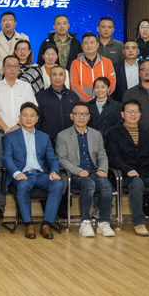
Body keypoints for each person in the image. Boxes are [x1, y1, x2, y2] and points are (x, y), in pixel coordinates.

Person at [105, 100, 149, 237]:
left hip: (146, 172)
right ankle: (139, 223)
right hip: (126, 174)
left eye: (135, 111)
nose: (133, 114)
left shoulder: (146, 134)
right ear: (122, 114)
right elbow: (114, 158)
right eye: (129, 111)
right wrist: (127, 169)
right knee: (137, 184)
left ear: (140, 114)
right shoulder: (114, 134)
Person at [3, 103, 64, 239]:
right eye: (25, 115)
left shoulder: (44, 137)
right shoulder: (11, 137)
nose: (28, 118)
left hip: (41, 174)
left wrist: (54, 171)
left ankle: (46, 224)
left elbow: (52, 158)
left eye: (32, 116)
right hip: (22, 175)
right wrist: (17, 173)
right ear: (20, 118)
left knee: (57, 185)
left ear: (37, 119)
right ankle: (28, 224)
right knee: (23, 186)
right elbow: (6, 158)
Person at [56, 102, 115, 238]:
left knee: (106, 185)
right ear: (71, 116)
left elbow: (102, 156)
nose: (81, 117)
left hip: (94, 171)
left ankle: (104, 222)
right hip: (74, 173)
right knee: (89, 184)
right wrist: (77, 170)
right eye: (77, 114)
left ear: (89, 117)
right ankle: (85, 222)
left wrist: (102, 169)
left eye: (84, 114)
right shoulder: (63, 135)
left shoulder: (96, 134)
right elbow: (61, 159)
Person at [0, 54, 37, 164]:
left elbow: (31, 109)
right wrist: (7, 130)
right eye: (9, 66)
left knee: (22, 165)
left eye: (15, 66)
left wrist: (18, 125)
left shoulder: (26, 87)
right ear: (3, 68)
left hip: (22, 132)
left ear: (19, 68)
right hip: (0, 134)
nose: (12, 69)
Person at [34, 67, 77, 143]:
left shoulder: (73, 96)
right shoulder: (40, 96)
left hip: (70, 140)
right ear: (50, 77)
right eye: (54, 74)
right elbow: (37, 120)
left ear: (65, 77)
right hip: (48, 140)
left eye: (61, 74)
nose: (57, 77)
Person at [70, 32, 117, 102]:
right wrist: (87, 99)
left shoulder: (107, 62)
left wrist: (102, 97)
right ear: (82, 46)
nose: (89, 45)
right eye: (86, 43)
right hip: (83, 103)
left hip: (103, 101)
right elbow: (74, 84)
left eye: (92, 42)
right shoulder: (75, 63)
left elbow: (112, 82)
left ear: (97, 45)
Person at [0, 11, 28, 76]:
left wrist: (17, 72)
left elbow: (27, 57)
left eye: (10, 21)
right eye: (4, 21)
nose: (7, 23)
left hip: (20, 75)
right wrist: (5, 71)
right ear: (0, 24)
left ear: (15, 23)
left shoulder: (23, 38)